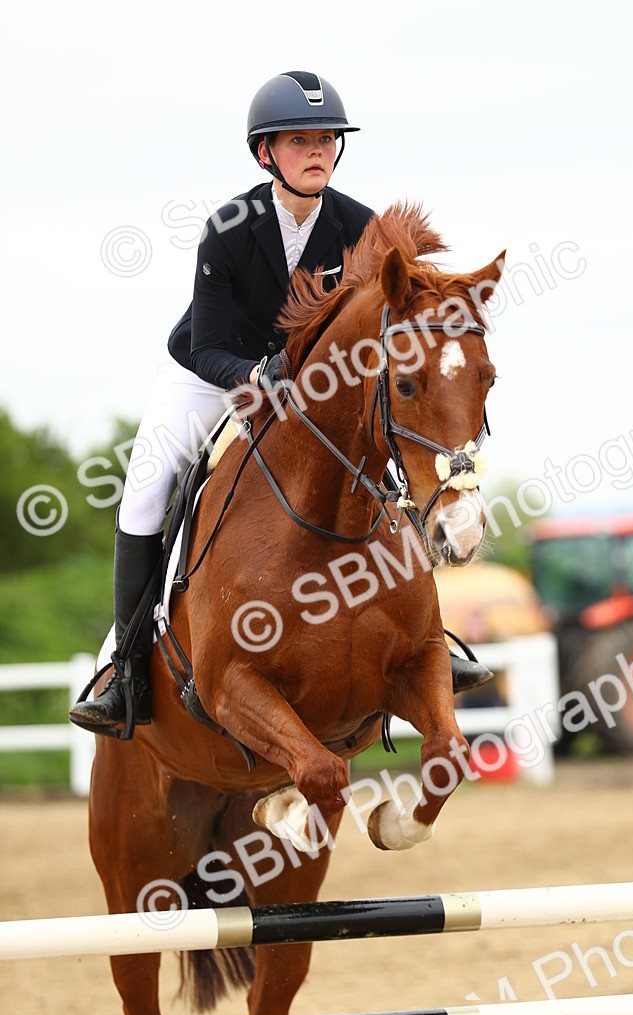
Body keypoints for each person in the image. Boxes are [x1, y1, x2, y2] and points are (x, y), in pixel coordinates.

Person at [69, 70, 492, 737]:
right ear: (266, 154)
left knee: (382, 471)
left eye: (326, 139)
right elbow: (208, 345)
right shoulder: (228, 229)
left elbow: (406, 303)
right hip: (211, 374)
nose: (317, 150)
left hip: (310, 387)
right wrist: (259, 377)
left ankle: (429, 643)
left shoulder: (360, 226)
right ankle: (124, 668)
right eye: (300, 141)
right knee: (147, 487)